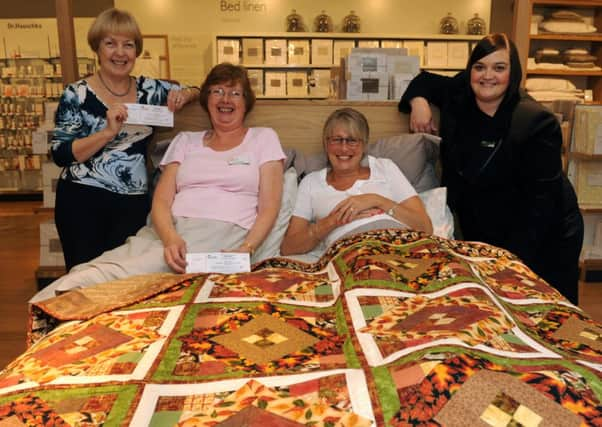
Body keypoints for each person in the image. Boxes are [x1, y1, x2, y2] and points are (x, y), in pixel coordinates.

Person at [31, 63, 285, 303]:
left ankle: (53, 302)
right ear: (206, 100)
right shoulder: (186, 140)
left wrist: (247, 248)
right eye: (217, 91)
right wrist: (170, 238)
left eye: (235, 93)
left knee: (105, 278)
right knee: (98, 268)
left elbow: (270, 205)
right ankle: (57, 305)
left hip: (222, 233)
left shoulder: (263, 138)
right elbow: (161, 200)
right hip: (167, 233)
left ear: (247, 102)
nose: (225, 99)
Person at [398, 33, 583, 304]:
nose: (488, 76)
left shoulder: (535, 122)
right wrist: (419, 103)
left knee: (542, 311)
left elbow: (540, 207)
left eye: (499, 67)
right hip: (485, 223)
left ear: (514, 71)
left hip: (543, 233)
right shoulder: (460, 92)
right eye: (479, 66)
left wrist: (507, 264)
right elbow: (423, 81)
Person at [51, 8, 199, 272]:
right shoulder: (76, 94)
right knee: (85, 280)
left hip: (133, 202)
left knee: (125, 281)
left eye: (128, 45)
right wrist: (107, 133)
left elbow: (198, 89)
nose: (120, 53)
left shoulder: (150, 89)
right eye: (110, 43)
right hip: (83, 201)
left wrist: (186, 94)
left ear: (136, 51)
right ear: (97, 48)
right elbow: (61, 154)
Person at [280, 108, 432, 256]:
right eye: (337, 140)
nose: (344, 148)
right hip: (351, 256)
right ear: (326, 144)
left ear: (364, 145)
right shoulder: (311, 182)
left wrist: (376, 200)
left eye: (352, 140)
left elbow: (425, 227)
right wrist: (333, 221)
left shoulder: (385, 167)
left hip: (402, 247)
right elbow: (289, 247)